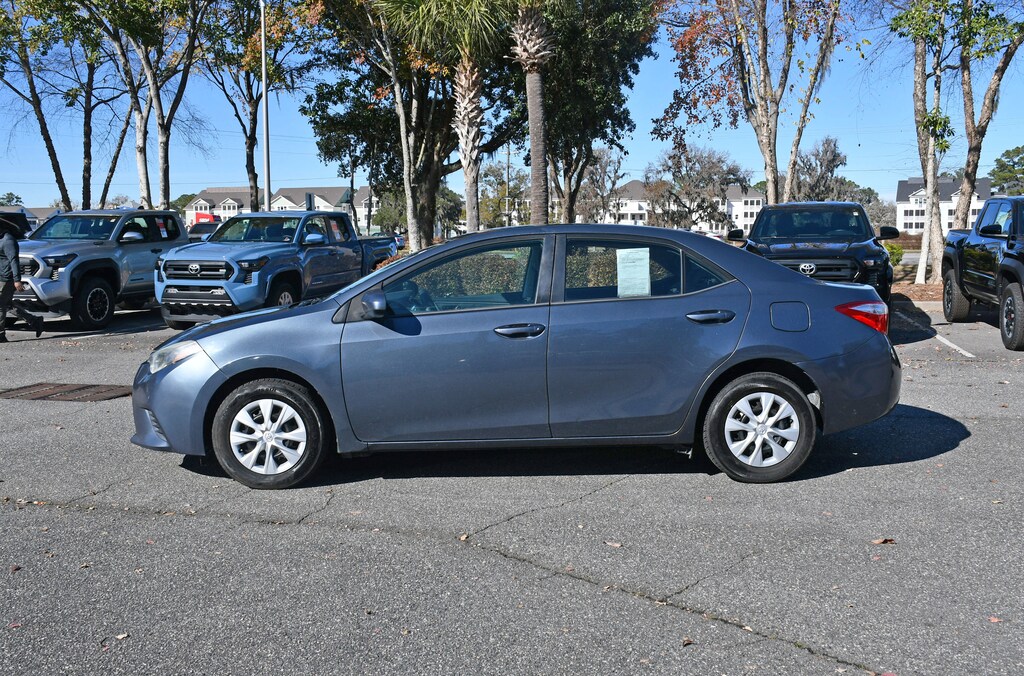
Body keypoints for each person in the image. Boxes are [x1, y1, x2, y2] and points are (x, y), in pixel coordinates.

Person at [0, 219, 44, 342]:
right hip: (1, 276)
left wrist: (17, 280)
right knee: (7, 305)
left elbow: (14, 261)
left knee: (1, 305)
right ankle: (35, 321)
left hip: (6, 278)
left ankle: (1, 334)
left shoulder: (8, 241)